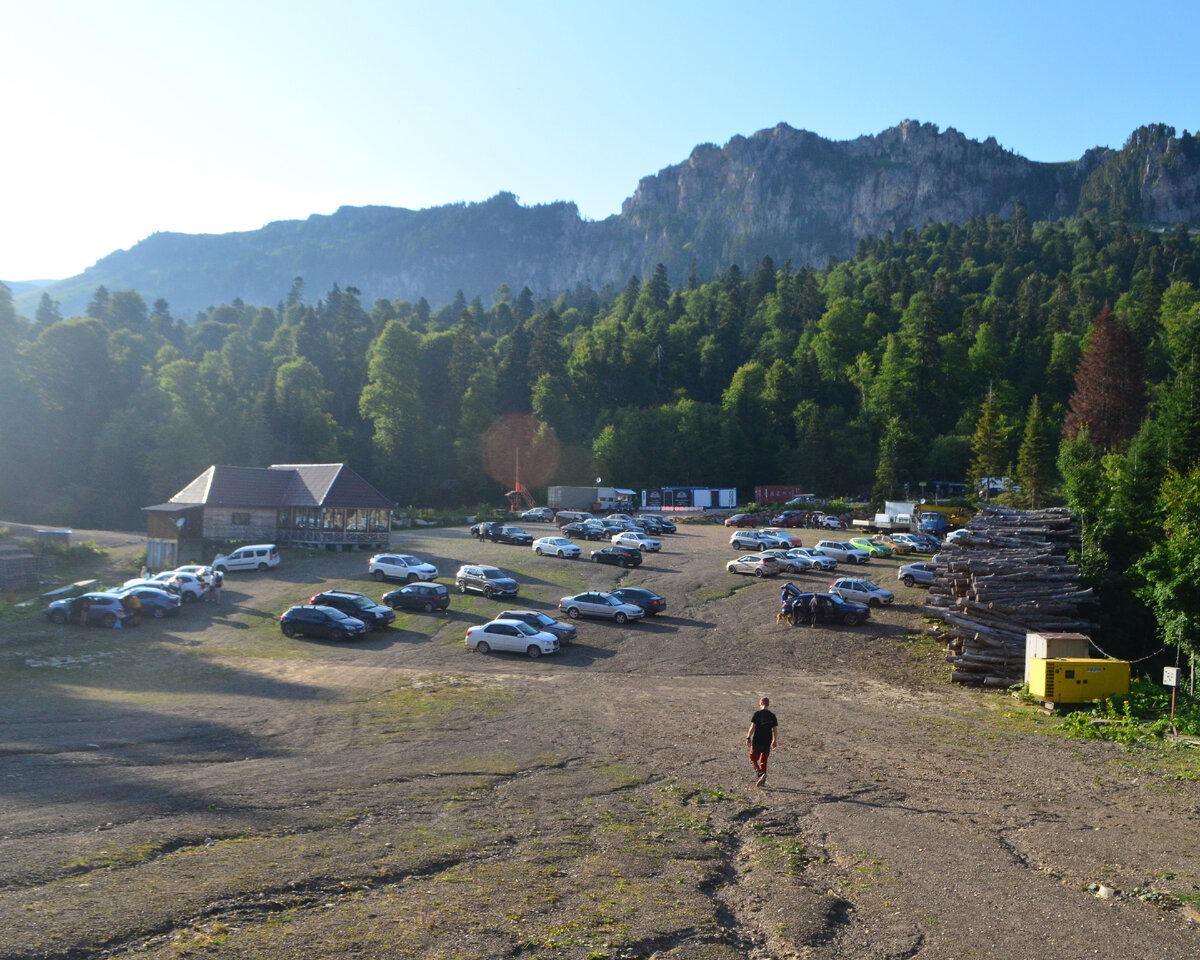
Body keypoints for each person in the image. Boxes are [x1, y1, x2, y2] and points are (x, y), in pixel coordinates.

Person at [746, 696, 778, 787]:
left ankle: (760, 773)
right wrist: (774, 741)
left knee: (752, 758)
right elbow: (775, 730)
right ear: (768, 705)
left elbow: (752, 727)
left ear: (761, 704)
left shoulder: (757, 714)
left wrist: (748, 737)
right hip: (767, 741)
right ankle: (762, 780)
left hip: (757, 741)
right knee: (764, 760)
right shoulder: (772, 716)